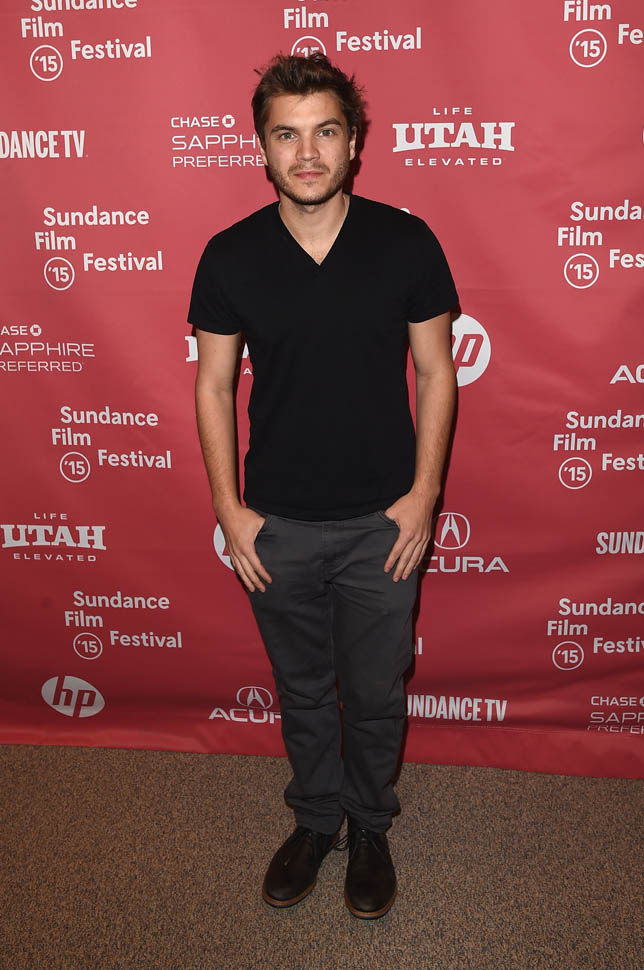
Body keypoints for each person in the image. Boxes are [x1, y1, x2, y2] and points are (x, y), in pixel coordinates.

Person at [188, 52, 458, 919]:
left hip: (384, 521)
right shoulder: (230, 256)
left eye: (325, 132)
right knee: (303, 689)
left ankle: (369, 825)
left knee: (375, 693)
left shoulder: (407, 243)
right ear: (262, 148)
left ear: (354, 144)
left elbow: (437, 372)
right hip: (279, 526)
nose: (307, 153)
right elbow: (213, 386)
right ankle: (315, 819)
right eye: (287, 135)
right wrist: (231, 510)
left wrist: (423, 497)